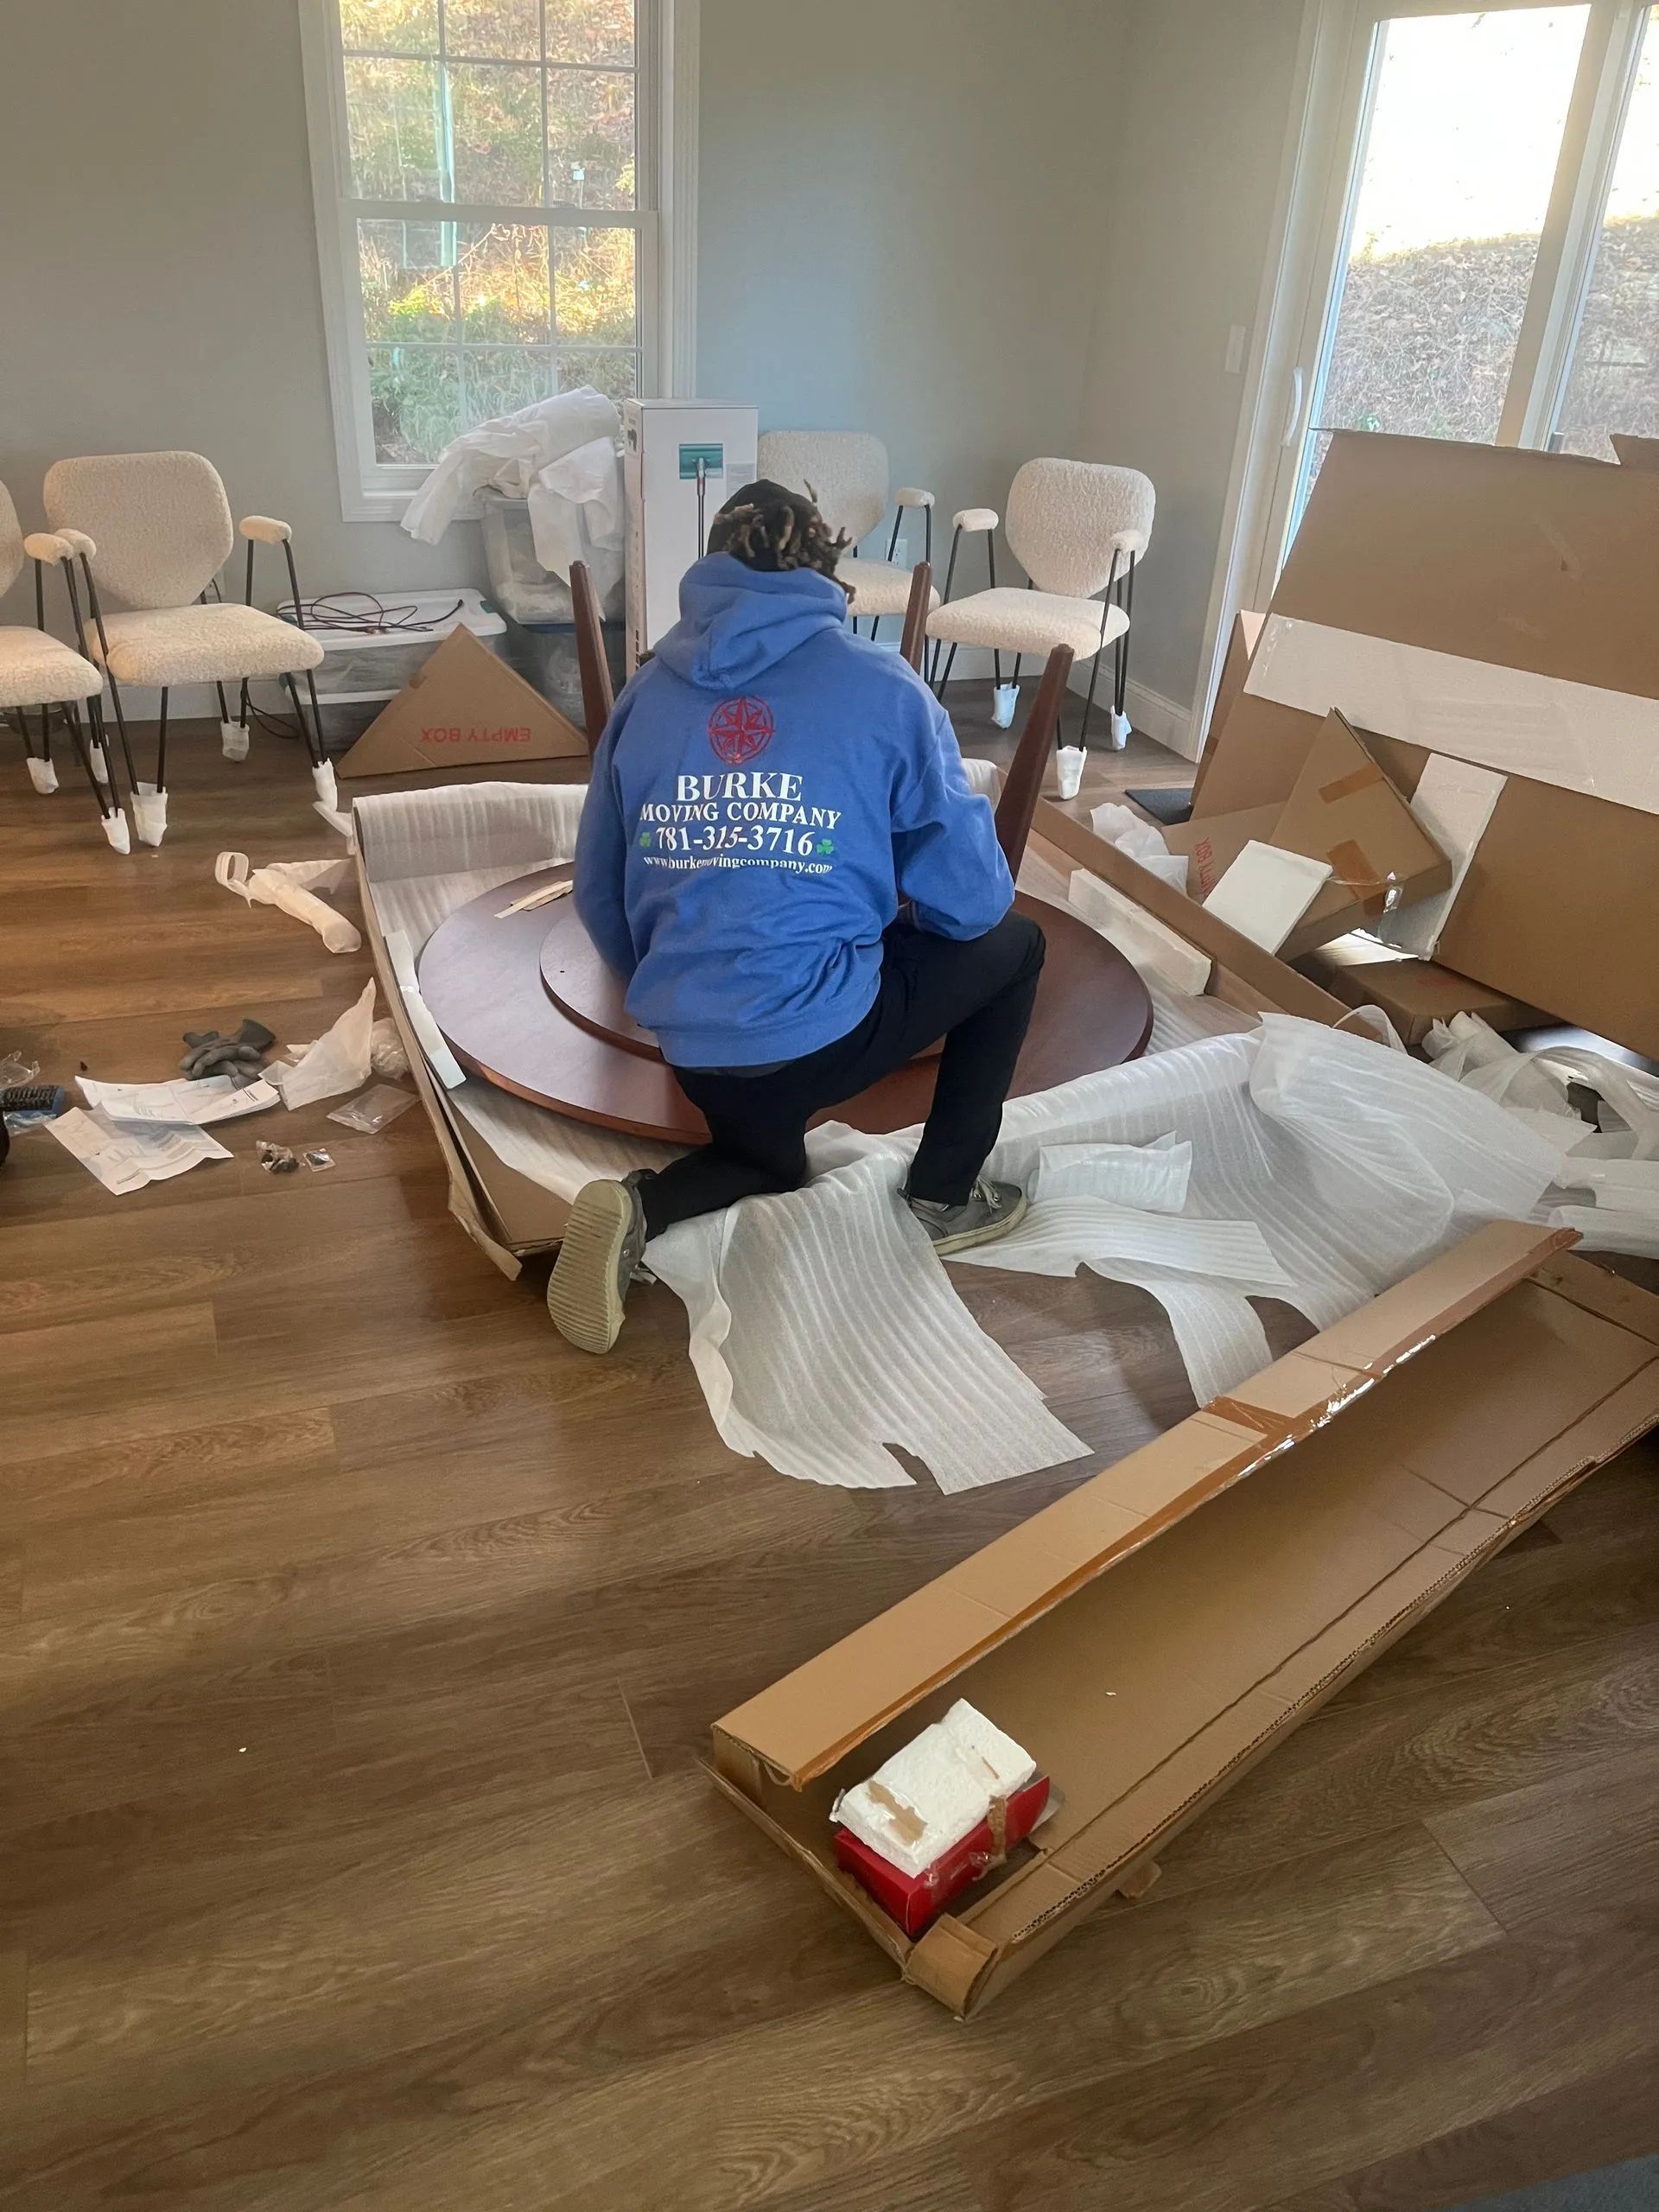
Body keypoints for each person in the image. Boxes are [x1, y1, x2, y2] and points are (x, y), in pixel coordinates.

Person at [547, 480, 1046, 1354]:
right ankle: (943, 1192)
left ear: (710, 564)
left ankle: (639, 1205)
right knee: (1019, 946)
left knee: (771, 1163)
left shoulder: (645, 696)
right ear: (826, 570)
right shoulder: (883, 686)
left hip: (694, 1043)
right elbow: (974, 905)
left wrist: (681, 987)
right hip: (818, 1037)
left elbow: (597, 890)